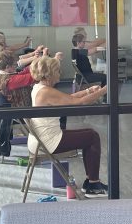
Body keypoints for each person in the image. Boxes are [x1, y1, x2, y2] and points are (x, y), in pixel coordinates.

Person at [28, 56, 108, 198]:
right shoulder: (46, 91)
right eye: (58, 71)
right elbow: (78, 102)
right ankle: (93, 185)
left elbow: (67, 98)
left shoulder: (39, 87)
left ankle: (91, 182)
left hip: (41, 139)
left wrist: (89, 91)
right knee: (92, 137)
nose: (60, 73)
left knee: (90, 135)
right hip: (49, 141)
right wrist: (105, 90)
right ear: (50, 74)